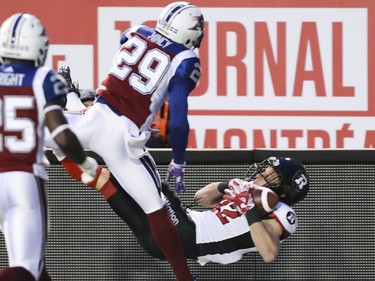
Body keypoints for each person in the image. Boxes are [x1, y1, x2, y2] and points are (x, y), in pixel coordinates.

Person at [45, 2, 205, 280]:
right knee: (156, 211)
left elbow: (128, 42)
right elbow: (178, 120)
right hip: (124, 140)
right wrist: (178, 161)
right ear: (191, 32)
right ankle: (184, 278)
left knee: (29, 131)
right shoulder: (186, 60)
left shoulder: (137, 31)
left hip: (91, 120)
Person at [60, 155, 309, 267]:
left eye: (270, 174)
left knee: (144, 170)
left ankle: (80, 116)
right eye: (265, 170)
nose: (261, 174)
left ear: (286, 188)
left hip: (189, 236)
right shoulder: (248, 190)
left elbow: (268, 253)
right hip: (168, 237)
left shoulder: (284, 213)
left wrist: (248, 208)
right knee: (105, 180)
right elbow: (201, 198)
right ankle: (61, 147)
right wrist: (227, 186)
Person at [0, 13, 98, 281]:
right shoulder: (42, 78)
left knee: (36, 268)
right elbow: (63, 136)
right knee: (25, 269)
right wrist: (86, 163)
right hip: (22, 178)